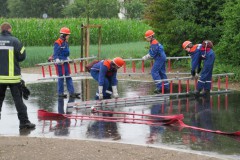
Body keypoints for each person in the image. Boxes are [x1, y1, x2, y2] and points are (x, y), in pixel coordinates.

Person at [0, 22, 35, 129]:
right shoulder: (15, 41)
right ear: (10, 29)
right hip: (13, 78)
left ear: (1, 30)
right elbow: (22, 56)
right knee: (18, 101)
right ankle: (24, 123)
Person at [53, 27, 80, 98]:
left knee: (68, 76)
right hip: (60, 62)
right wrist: (57, 59)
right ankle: (60, 93)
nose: (69, 36)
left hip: (65, 61)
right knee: (61, 77)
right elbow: (55, 53)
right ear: (64, 35)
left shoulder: (66, 43)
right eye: (68, 35)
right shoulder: (57, 42)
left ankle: (72, 92)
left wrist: (68, 58)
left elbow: (66, 52)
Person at [142, 30, 169, 94]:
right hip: (162, 57)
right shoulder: (154, 42)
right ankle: (166, 87)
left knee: (154, 71)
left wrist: (145, 57)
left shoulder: (154, 43)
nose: (147, 39)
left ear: (151, 37)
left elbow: (153, 53)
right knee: (162, 72)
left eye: (147, 38)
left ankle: (159, 87)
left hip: (159, 58)